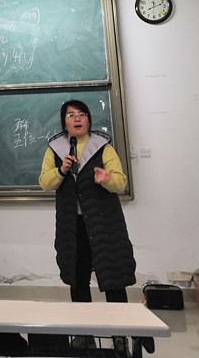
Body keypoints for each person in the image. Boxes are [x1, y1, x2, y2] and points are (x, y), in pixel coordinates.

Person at [39, 99, 136, 306]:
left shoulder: (103, 147)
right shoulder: (55, 149)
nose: (77, 119)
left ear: (88, 120)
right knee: (78, 277)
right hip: (72, 224)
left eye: (82, 114)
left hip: (105, 223)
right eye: (71, 115)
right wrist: (61, 170)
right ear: (64, 122)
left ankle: (120, 325)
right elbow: (45, 183)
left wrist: (106, 178)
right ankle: (83, 327)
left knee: (113, 275)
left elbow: (120, 182)